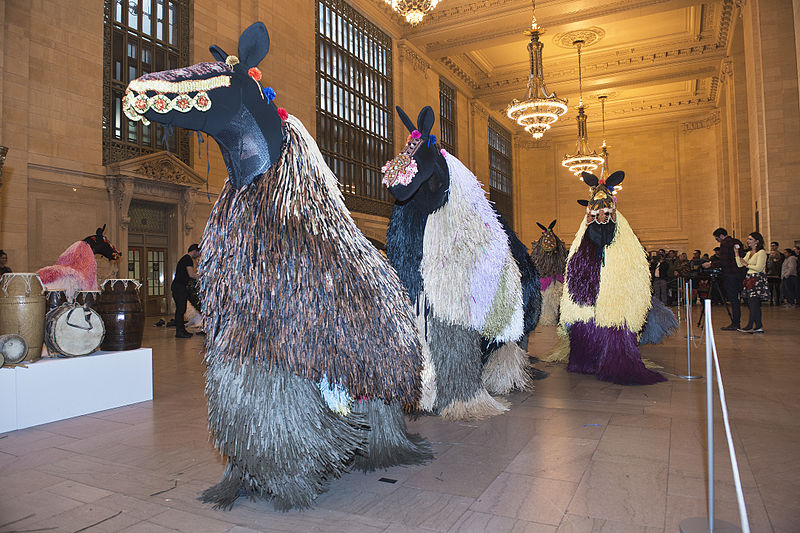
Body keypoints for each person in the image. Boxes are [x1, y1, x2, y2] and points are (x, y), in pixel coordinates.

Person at [703, 228, 743, 331]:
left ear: (721, 236)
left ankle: (735, 323)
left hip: (730, 275)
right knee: (738, 299)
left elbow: (724, 261)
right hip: (739, 274)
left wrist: (711, 264)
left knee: (733, 299)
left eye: (716, 238)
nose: (717, 240)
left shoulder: (725, 243)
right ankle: (741, 322)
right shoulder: (737, 242)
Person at [736, 232, 768, 333]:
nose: (748, 241)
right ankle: (758, 326)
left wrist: (746, 265)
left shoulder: (761, 252)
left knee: (753, 303)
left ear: (757, 241)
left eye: (750, 239)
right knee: (751, 303)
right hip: (750, 278)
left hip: (757, 279)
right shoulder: (749, 253)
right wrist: (736, 254)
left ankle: (751, 325)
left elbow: (759, 267)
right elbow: (740, 264)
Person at [171, 244, 200, 338]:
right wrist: (201, 277)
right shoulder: (188, 259)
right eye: (198, 253)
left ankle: (181, 330)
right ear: (195, 251)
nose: (198, 255)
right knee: (180, 309)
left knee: (180, 309)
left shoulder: (184, 258)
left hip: (177, 286)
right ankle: (179, 332)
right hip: (179, 287)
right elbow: (191, 274)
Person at [766, 241, 783, 305]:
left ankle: (777, 300)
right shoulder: (768, 256)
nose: (772, 247)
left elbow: (780, 265)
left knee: (777, 288)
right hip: (769, 274)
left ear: (777, 246)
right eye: (771, 246)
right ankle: (771, 300)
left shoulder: (780, 255)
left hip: (776, 274)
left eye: (773, 246)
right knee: (770, 288)